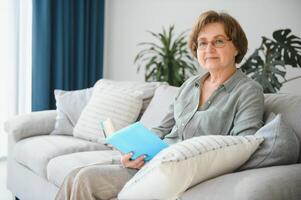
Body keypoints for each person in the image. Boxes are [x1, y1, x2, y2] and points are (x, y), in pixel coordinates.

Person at [55, 10, 264, 200]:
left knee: (85, 180)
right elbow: (163, 128)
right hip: (154, 161)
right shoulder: (190, 85)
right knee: (75, 174)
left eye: (218, 41)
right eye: (202, 42)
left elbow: (241, 147)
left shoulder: (248, 91)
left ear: (236, 47)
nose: (208, 49)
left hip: (181, 170)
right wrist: (134, 151)